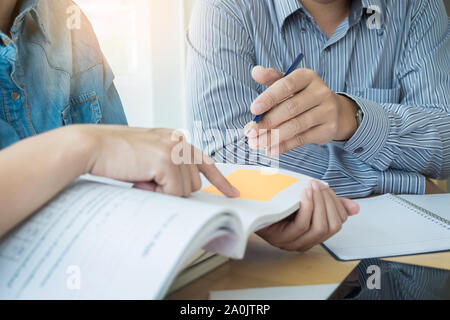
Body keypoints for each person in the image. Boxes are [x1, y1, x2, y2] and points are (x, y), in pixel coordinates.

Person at [0, 0, 360, 250]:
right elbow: (228, 149)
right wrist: (83, 145)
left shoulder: (66, 20)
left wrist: (242, 219)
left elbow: (132, 195)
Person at [186, 0, 449, 250]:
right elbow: (224, 158)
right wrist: (400, 182)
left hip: (399, 246)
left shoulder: (415, 6)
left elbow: (444, 143)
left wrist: (351, 117)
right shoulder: (225, 8)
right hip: (266, 254)